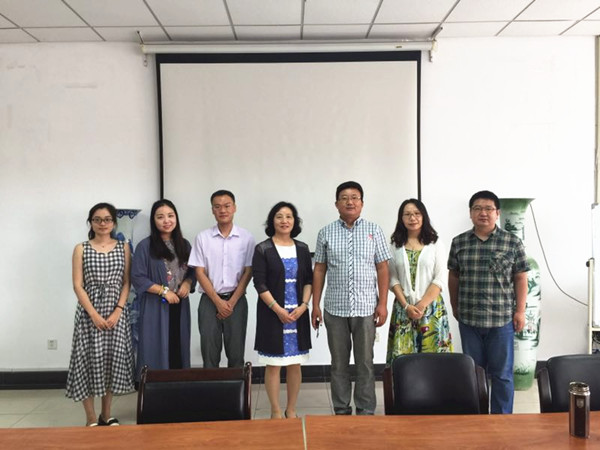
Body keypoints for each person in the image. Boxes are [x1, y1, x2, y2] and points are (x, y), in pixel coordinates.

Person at [311, 181, 391, 415]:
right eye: (344, 198)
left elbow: (383, 268)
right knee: (339, 363)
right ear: (336, 204)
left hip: (366, 308)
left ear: (362, 203)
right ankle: (341, 408)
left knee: (365, 363)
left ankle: (365, 409)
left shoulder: (374, 230)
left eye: (355, 197)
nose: (350, 202)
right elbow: (319, 269)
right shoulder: (325, 232)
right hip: (335, 308)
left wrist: (383, 303)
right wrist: (315, 305)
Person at [448, 190, 529, 414]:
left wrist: (520, 311)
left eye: (488, 209)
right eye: (477, 208)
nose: (483, 213)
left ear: (497, 213)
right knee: (474, 373)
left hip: (501, 320)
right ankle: (477, 418)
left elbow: (521, 277)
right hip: (469, 320)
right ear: (470, 213)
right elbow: (454, 276)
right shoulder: (459, 242)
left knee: (502, 375)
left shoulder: (512, 242)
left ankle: (502, 420)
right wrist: (455, 306)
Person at [66, 202, 134, 427]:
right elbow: (78, 285)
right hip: (89, 314)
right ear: (91, 222)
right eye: (97, 219)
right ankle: (91, 418)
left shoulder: (123, 247)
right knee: (87, 362)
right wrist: (94, 314)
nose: (102, 223)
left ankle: (106, 414)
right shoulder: (81, 248)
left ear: (114, 222)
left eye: (107, 219)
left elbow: (126, 282)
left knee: (110, 362)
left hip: (116, 313)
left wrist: (118, 311)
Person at [252, 202, 313, 419]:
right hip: (272, 314)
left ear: (295, 221)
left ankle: (291, 409)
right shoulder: (263, 249)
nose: (284, 221)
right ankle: (276, 411)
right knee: (274, 364)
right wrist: (277, 309)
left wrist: (304, 306)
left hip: (297, 314)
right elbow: (259, 284)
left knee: (295, 364)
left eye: (289, 216)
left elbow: (309, 280)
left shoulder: (303, 249)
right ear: (272, 221)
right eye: (279, 216)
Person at [188, 190, 255, 368]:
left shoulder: (247, 238)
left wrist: (231, 302)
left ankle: (237, 387)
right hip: (209, 301)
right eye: (217, 207)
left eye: (227, 206)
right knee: (209, 354)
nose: (222, 210)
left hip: (237, 301)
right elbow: (199, 272)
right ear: (212, 210)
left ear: (234, 208)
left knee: (236, 354)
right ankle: (211, 387)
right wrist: (218, 302)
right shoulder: (202, 238)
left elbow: (248, 272)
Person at [131, 199, 195, 379]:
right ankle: (155, 387)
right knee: (155, 346)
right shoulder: (145, 246)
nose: (166, 220)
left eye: (170, 216)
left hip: (180, 304)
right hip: (155, 305)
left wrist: (188, 283)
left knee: (178, 345)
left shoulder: (185, 245)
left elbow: (193, 271)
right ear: (154, 220)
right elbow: (137, 276)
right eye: (160, 217)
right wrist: (164, 291)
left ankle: (179, 386)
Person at [387, 199, 453, 365]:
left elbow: (440, 279)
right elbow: (392, 278)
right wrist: (407, 306)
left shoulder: (435, 243)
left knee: (433, 362)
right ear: (401, 218)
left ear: (424, 216)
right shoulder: (395, 245)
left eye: (417, 214)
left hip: (431, 309)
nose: (412, 218)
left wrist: (421, 305)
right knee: (404, 362)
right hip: (403, 309)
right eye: (407, 214)